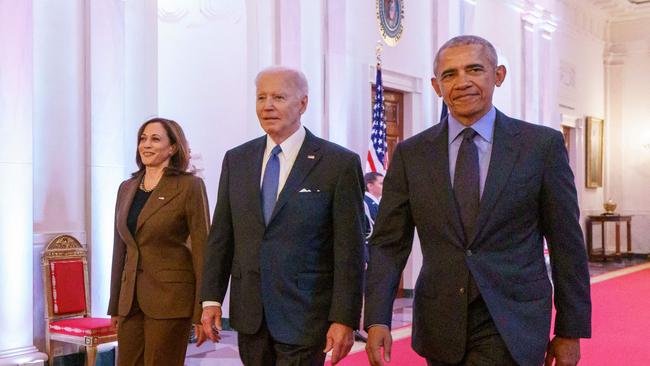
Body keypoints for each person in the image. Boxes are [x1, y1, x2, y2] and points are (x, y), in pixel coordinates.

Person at [364, 35, 591, 366]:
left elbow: (566, 243)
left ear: (498, 75)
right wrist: (377, 318)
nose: (462, 82)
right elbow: (388, 242)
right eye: (450, 74)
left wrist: (570, 330)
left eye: (474, 69)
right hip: (440, 322)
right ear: (435, 85)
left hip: (513, 320)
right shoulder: (413, 154)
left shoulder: (540, 147)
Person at [199, 66, 365, 366]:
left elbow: (349, 250)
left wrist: (344, 318)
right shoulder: (237, 159)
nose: (267, 105)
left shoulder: (338, 164)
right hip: (251, 313)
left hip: (305, 313)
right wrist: (211, 298)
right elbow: (222, 235)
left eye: (278, 97)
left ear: (302, 103)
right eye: (261, 97)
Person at [108, 118, 210, 365]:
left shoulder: (189, 186)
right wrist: (115, 305)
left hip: (170, 299)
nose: (146, 145)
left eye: (155, 139)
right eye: (143, 138)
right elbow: (119, 250)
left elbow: (202, 250)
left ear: (173, 148)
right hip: (130, 300)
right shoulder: (127, 187)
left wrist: (202, 308)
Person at [355, 172, 385, 343]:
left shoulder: (374, 204)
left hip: (374, 253)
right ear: (369, 185)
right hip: (367, 252)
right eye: (380, 183)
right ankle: (359, 328)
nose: (383, 186)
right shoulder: (366, 203)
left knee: (369, 291)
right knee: (364, 292)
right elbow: (366, 231)